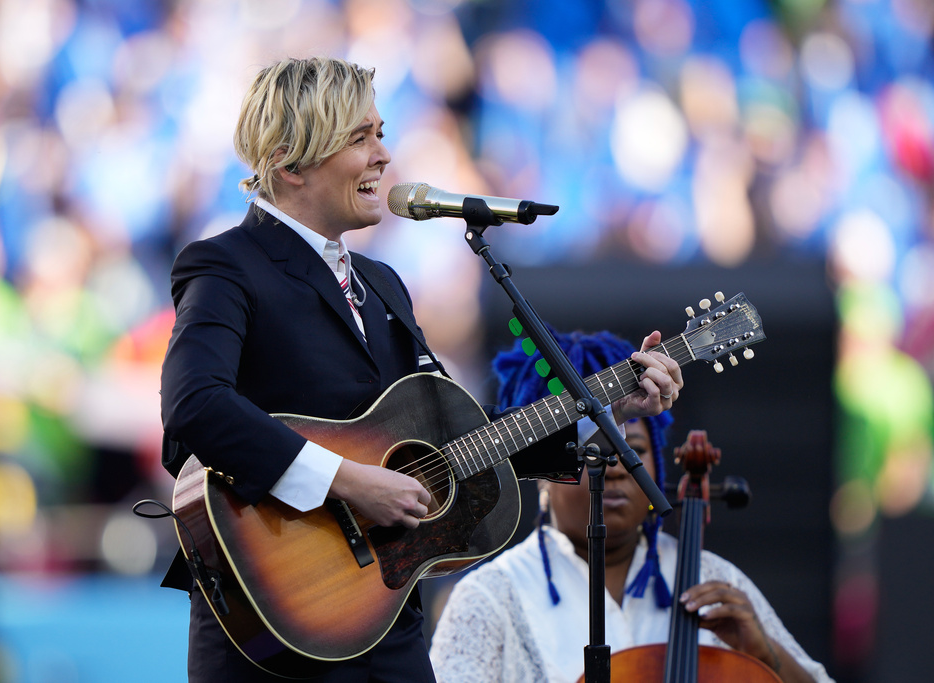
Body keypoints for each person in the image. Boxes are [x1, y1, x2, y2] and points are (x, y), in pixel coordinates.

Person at [159, 57, 683, 682]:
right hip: (275, 625)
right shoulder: (224, 266)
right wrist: (346, 482)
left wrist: (609, 408)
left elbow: (461, 448)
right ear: (289, 162)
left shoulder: (382, 286)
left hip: (387, 616)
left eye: (380, 132)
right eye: (360, 138)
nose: (385, 156)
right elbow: (194, 408)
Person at [429, 330, 834, 683]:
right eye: (593, 453)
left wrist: (766, 658)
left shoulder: (709, 578)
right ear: (542, 474)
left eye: (633, 450)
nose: (617, 470)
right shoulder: (489, 596)